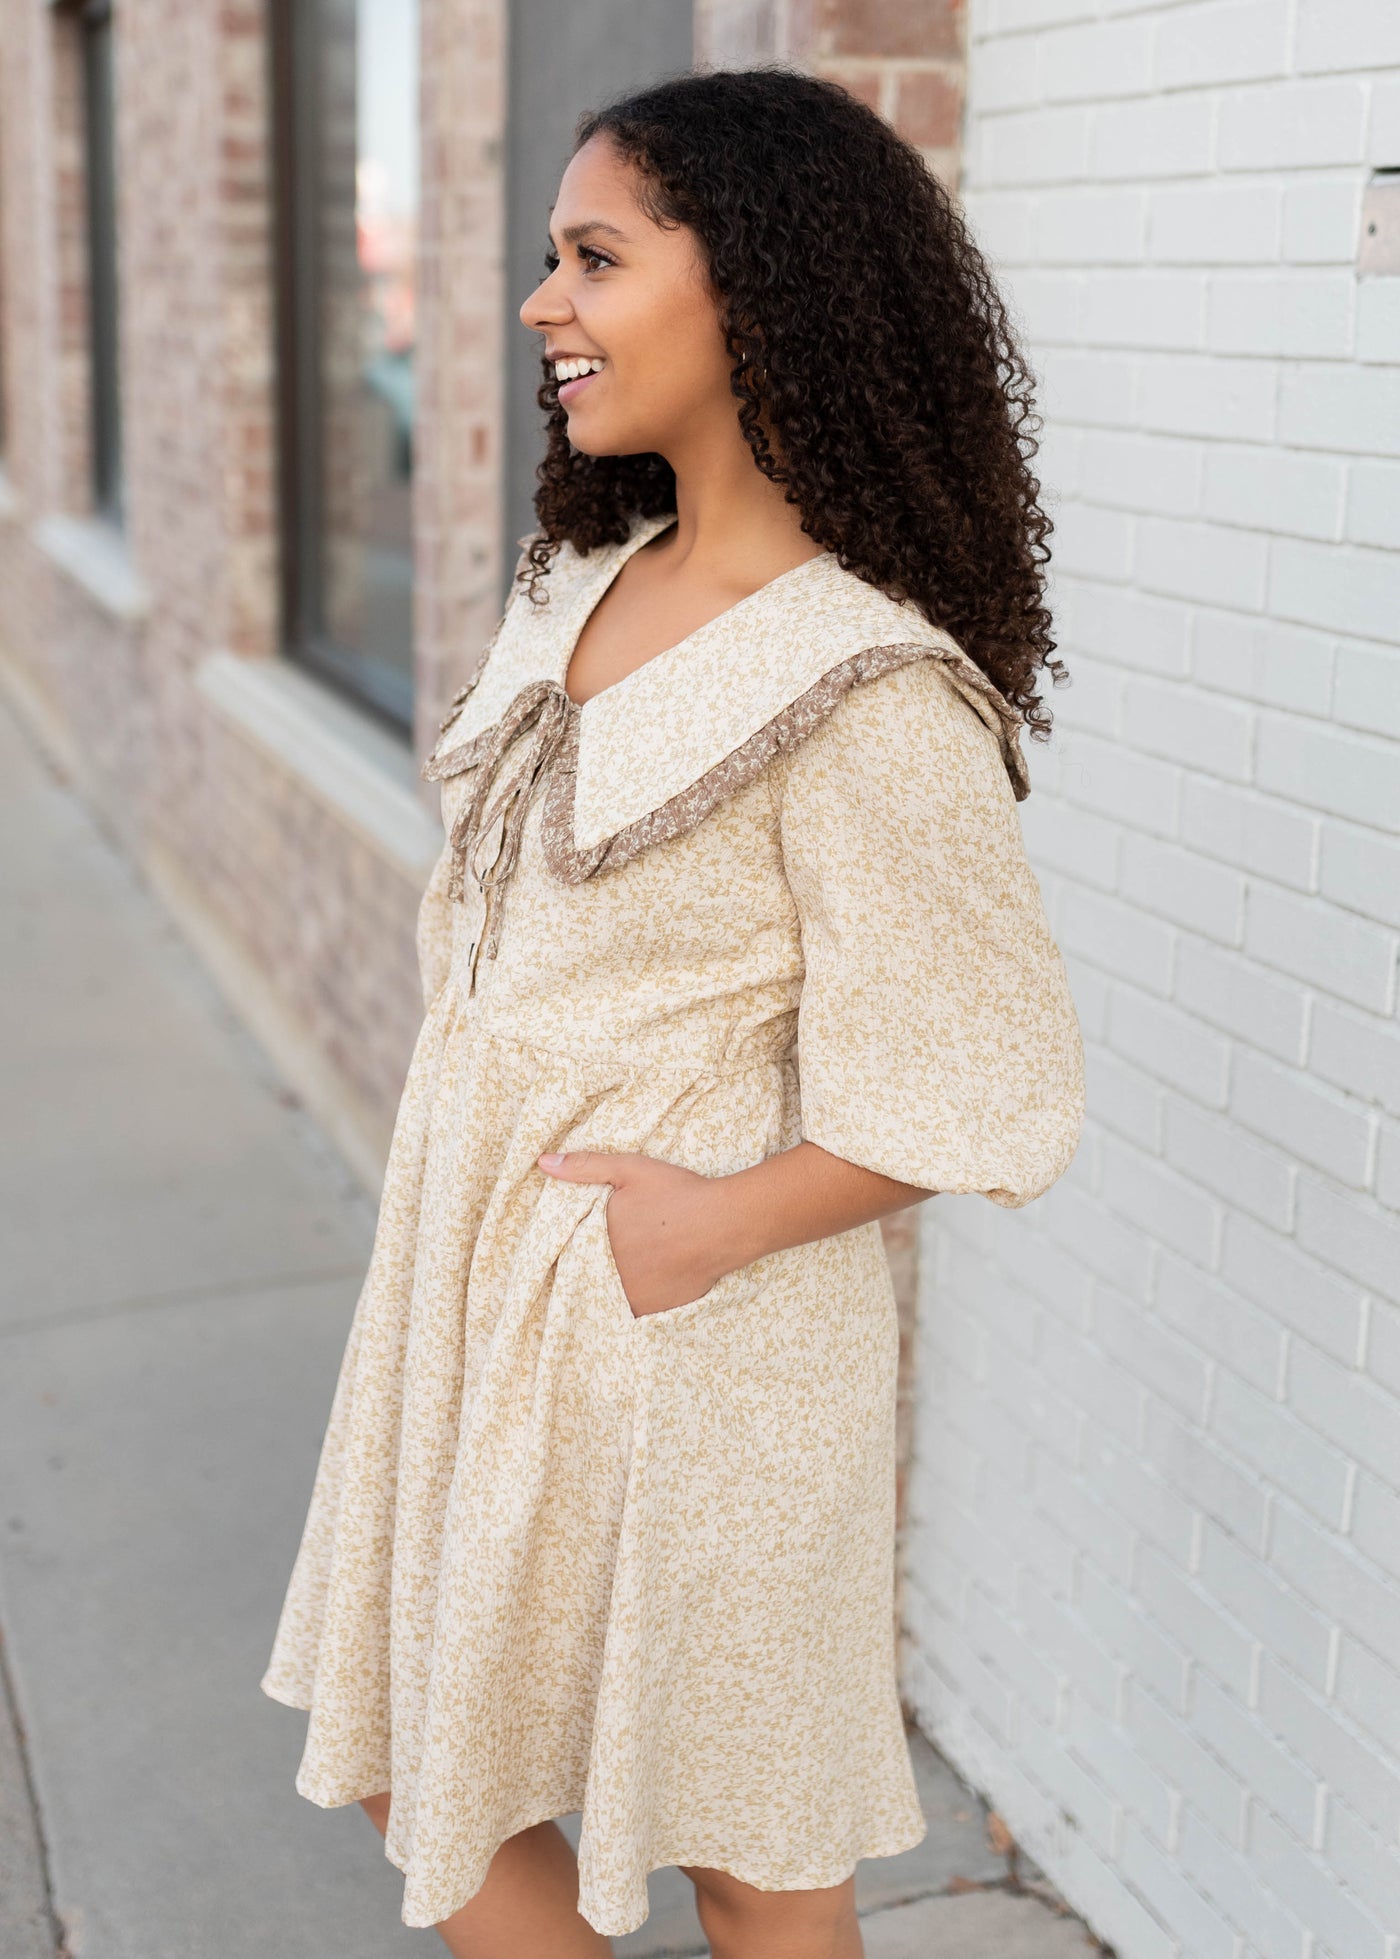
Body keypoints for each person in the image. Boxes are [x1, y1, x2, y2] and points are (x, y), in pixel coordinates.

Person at [260, 65, 1085, 1959]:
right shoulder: (584, 577)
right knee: (421, 1757)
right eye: (551, 259)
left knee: (747, 1841)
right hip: (474, 1288)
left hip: (700, 1341)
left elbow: (985, 1078)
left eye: (596, 258)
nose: (545, 303)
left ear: (762, 290)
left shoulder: (871, 688)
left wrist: (697, 1227)